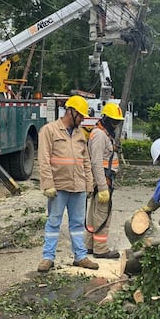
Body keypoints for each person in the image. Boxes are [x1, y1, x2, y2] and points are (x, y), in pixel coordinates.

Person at [37, 95, 99, 273]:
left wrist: (89, 184)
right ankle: (48, 258)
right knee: (53, 222)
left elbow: (85, 160)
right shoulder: (49, 131)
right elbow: (44, 159)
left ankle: (80, 257)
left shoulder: (80, 133)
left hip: (78, 186)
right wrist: (47, 184)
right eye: (80, 116)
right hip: (58, 186)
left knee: (78, 224)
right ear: (70, 112)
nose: (81, 120)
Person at [85, 102, 123, 259]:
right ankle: (100, 249)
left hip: (104, 178)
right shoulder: (100, 135)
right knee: (102, 213)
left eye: (117, 121)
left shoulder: (104, 133)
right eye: (113, 121)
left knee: (94, 213)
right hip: (102, 179)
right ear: (106, 118)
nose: (115, 124)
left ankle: (90, 245)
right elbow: (96, 162)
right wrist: (102, 187)